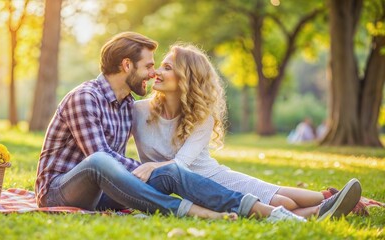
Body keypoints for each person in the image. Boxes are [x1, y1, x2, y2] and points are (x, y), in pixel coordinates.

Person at [35, 32, 308, 222]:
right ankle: (192, 211)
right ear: (127, 65)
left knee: (172, 172)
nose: (153, 73)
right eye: (149, 66)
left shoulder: (126, 105)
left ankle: (265, 212)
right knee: (99, 161)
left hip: (102, 192)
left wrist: (161, 169)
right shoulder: (86, 98)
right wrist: (148, 168)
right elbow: (102, 160)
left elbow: (127, 168)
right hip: (60, 192)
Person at [131, 43, 362, 220]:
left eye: (167, 67)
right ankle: (330, 206)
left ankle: (339, 200)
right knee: (284, 202)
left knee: (284, 201)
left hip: (212, 176)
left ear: (187, 78)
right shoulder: (138, 112)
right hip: (190, 187)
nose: (156, 72)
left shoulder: (201, 116)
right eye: (160, 65)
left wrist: (152, 165)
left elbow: (181, 163)